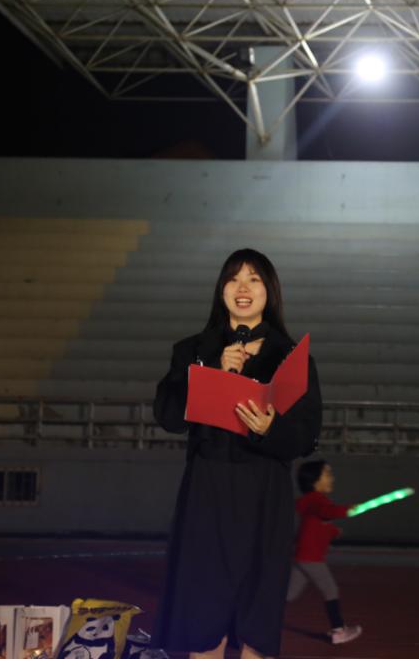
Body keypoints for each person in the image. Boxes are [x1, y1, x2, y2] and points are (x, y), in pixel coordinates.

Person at [152, 248, 323, 659]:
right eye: (233, 279)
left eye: (254, 279)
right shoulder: (193, 351)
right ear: (221, 290)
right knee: (202, 611)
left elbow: (305, 437)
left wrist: (269, 429)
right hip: (207, 492)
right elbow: (168, 416)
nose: (242, 287)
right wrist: (211, 369)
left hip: (264, 494)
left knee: (256, 613)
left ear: (270, 292)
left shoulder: (292, 358)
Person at [286, 460, 363, 645]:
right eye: (327, 474)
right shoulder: (316, 500)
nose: (332, 478)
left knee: (288, 594)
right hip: (311, 558)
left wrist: (333, 531)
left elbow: (316, 523)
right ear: (314, 480)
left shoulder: (310, 501)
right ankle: (339, 630)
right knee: (330, 590)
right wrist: (349, 510)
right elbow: (327, 512)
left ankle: (251, 616)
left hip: (304, 556)